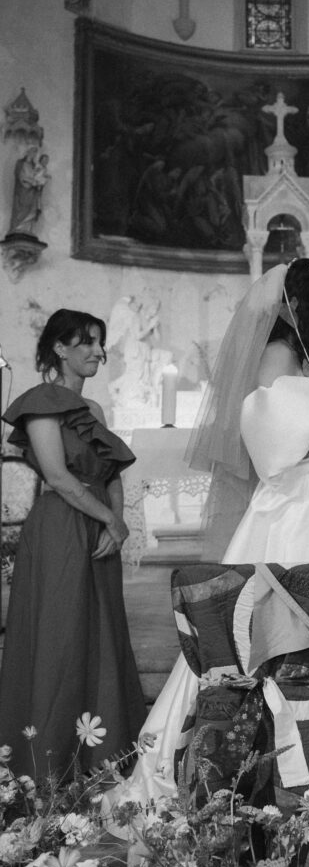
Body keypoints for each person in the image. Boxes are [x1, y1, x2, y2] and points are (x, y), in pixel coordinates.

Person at [112, 259, 309, 844]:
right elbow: (278, 446)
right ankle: (269, 769)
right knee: (282, 635)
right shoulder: (277, 353)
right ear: (304, 302)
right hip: (293, 511)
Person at [0, 309, 146, 778]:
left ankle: (100, 764)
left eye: (99, 343)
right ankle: (46, 768)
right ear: (59, 348)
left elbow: (113, 472)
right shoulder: (41, 402)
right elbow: (59, 477)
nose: (97, 352)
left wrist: (116, 520)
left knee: (100, 635)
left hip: (100, 532)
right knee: (61, 638)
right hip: (62, 530)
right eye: (85, 342)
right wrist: (110, 519)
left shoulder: (95, 412)